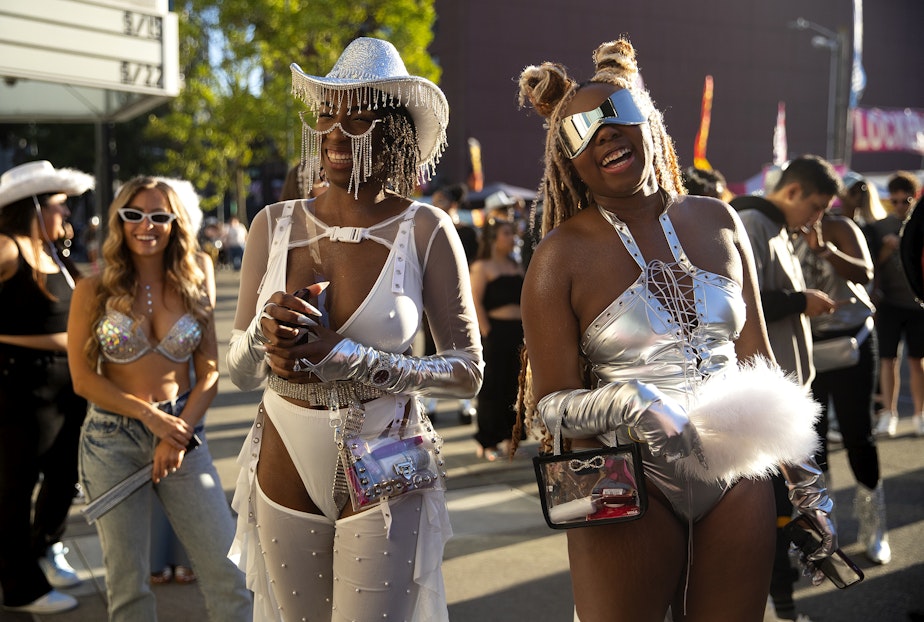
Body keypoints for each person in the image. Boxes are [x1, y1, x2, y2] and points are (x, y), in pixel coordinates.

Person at [513, 38, 836, 621]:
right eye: (583, 130)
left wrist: (808, 487)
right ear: (569, 159)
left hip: (736, 470)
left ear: (647, 121)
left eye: (616, 115)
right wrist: (632, 402)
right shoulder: (557, 256)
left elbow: (762, 367)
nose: (603, 133)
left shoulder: (720, 220)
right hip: (614, 471)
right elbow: (549, 407)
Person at [226, 37, 482, 621]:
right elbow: (238, 372)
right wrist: (265, 340)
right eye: (327, 115)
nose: (337, 132)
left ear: (393, 131)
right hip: (285, 450)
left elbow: (468, 371)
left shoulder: (426, 230)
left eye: (360, 118)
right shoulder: (272, 225)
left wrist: (355, 359)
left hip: (387, 450)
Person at [67, 176, 251, 622]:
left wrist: (176, 431)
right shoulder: (92, 290)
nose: (145, 225)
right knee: (128, 588)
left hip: (184, 434)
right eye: (133, 215)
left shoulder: (196, 275)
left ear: (175, 223)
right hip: (112, 439)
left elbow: (208, 373)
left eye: (158, 216)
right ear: (119, 221)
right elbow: (83, 380)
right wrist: (152, 420)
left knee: (229, 574)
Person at [731, 155, 840, 622]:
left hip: (783, 396)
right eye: (815, 206)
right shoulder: (752, 222)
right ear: (792, 192)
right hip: (765, 400)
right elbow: (739, 304)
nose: (816, 219)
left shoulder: (776, 227)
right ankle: (780, 609)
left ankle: (783, 607)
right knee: (775, 517)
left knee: (786, 514)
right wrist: (801, 300)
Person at [0, 161, 93, 615]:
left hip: (66, 385)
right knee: (15, 484)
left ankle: (43, 549)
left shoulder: (52, 250)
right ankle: (20, 587)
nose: (67, 215)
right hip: (21, 385)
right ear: (33, 206)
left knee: (64, 476)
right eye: (60, 205)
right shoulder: (8, 249)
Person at [793, 202, 891, 565]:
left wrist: (822, 248)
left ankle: (874, 527)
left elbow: (864, 273)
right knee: (812, 442)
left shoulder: (840, 227)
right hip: (806, 348)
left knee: (858, 435)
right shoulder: (776, 234)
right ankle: (824, 530)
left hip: (853, 342)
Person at [869, 171, 924, 437]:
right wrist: (886, 250)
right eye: (896, 201)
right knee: (887, 360)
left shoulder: (920, 225)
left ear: (915, 200)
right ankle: (888, 415)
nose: (901, 206)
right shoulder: (880, 227)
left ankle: (919, 414)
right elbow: (870, 268)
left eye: (906, 201)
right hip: (890, 303)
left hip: (918, 305)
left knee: (917, 361)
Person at [470, 217, 524, 460]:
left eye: (512, 233)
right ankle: (487, 439)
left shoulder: (516, 265)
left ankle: (509, 436)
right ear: (494, 238)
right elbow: (474, 301)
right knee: (492, 386)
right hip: (494, 332)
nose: (512, 238)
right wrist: (486, 331)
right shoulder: (483, 267)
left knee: (515, 385)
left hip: (518, 331)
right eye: (506, 233)